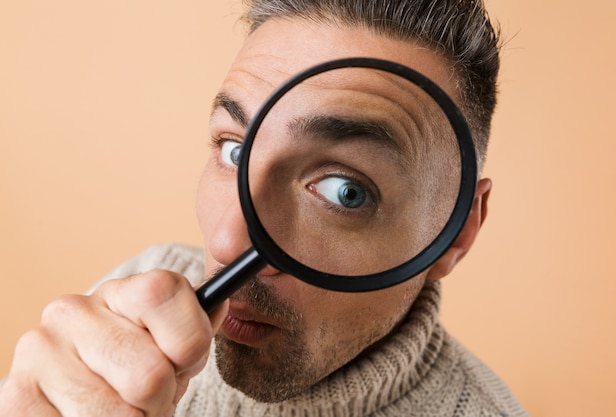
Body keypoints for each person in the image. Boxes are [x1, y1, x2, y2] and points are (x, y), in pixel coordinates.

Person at [0, 0, 528, 415]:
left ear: (457, 233)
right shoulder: (141, 293)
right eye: (234, 150)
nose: (227, 244)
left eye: (346, 190)